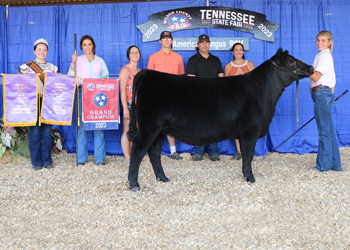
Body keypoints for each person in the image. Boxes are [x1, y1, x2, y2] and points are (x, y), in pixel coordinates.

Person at [68, 35, 109, 166]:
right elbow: (70, 77)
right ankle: (81, 158)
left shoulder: (100, 61)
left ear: (93, 46)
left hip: (97, 94)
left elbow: (105, 77)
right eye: (84, 45)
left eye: (89, 44)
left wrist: (104, 80)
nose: (87, 47)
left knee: (98, 125)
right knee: (82, 126)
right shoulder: (77, 60)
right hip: (82, 93)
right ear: (81, 46)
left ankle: (99, 159)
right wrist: (73, 63)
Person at [19, 38, 58, 171]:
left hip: (47, 101)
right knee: (34, 132)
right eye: (39, 49)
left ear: (47, 51)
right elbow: (20, 84)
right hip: (32, 101)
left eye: (44, 49)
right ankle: (36, 162)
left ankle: (47, 161)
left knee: (47, 133)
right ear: (34, 51)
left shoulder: (53, 68)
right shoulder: (25, 67)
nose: (42, 52)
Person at [147, 31, 185, 160]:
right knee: (156, 123)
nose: (166, 41)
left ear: (172, 41)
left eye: (169, 39)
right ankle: (153, 151)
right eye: (164, 39)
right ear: (160, 41)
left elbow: (181, 79)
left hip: (173, 96)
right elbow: (150, 79)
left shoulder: (178, 58)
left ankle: (173, 151)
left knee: (172, 123)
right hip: (158, 96)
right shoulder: (153, 57)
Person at [186, 34, 224, 161]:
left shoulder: (216, 60)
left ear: (209, 44)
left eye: (206, 42)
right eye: (202, 42)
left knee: (215, 125)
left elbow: (222, 78)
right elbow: (190, 81)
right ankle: (198, 151)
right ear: (198, 45)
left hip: (215, 98)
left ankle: (214, 152)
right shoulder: (193, 60)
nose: (204, 44)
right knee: (198, 125)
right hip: (199, 98)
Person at [309, 30, 342, 172]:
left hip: (321, 93)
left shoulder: (324, 56)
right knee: (328, 130)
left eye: (323, 40)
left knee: (323, 131)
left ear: (329, 42)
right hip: (324, 93)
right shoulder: (324, 56)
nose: (320, 43)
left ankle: (323, 165)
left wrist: (304, 69)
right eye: (318, 40)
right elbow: (332, 81)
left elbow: (316, 77)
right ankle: (335, 164)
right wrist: (329, 96)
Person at [224, 43, 255, 160]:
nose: (238, 52)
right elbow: (225, 85)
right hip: (234, 101)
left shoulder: (250, 65)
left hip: (248, 100)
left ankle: (248, 151)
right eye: (236, 50)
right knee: (237, 126)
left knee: (249, 126)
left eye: (240, 50)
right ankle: (239, 151)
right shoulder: (228, 66)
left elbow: (255, 82)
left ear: (243, 52)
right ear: (232, 52)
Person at [119, 45, 141, 164]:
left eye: (137, 52)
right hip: (128, 105)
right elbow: (122, 90)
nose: (135, 54)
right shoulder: (125, 70)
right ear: (129, 55)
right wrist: (125, 108)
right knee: (127, 130)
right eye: (132, 52)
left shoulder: (140, 71)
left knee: (136, 130)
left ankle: (134, 155)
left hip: (139, 106)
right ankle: (127, 157)